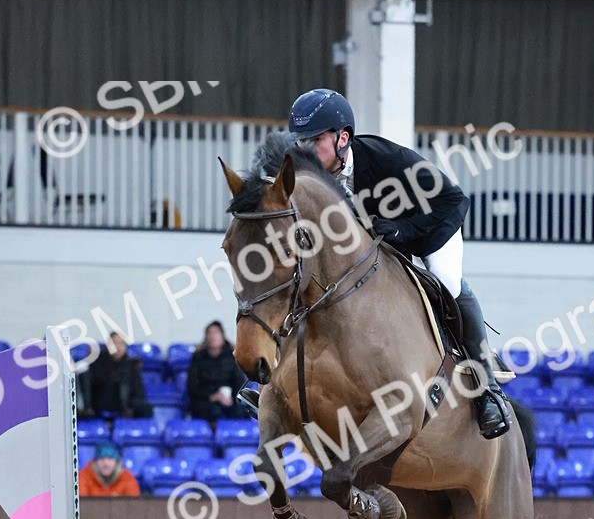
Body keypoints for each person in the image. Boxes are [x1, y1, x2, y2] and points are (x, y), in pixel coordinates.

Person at [287, 88, 509, 438]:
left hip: (431, 227)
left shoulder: (385, 160)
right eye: (301, 141)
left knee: (447, 282)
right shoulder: (304, 170)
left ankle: (488, 391)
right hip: (377, 243)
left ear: (343, 138)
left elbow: (453, 201)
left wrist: (404, 230)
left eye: (315, 141)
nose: (305, 150)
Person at [187, 321, 245, 423]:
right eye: (210, 333)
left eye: (216, 332)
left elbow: (239, 383)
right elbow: (192, 386)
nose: (213, 336)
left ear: (222, 336)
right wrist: (213, 396)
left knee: (240, 411)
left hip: (229, 400)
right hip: (206, 400)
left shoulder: (232, 357)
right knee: (213, 411)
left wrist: (232, 399)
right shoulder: (198, 357)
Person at [87, 332, 153, 419]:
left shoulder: (131, 366)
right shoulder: (97, 364)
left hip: (126, 406)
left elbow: (139, 393)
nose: (118, 347)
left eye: (121, 343)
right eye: (114, 343)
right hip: (103, 405)